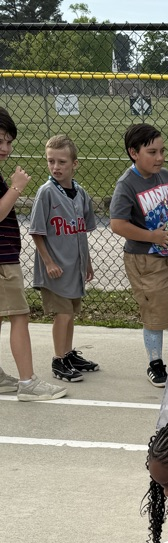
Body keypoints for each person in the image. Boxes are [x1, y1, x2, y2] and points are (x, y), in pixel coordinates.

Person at [110, 122, 168, 388]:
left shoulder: (165, 176)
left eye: (162, 151)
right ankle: (155, 363)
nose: (160, 158)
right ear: (134, 153)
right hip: (144, 259)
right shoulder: (127, 184)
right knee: (155, 314)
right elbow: (117, 224)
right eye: (152, 152)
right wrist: (153, 236)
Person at [0, 107, 66, 401]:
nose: (5, 148)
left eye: (9, 142)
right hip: (2, 260)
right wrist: (16, 188)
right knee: (19, 316)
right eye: (0, 141)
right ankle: (28, 383)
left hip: (5, 257)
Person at [29, 134, 99, 384]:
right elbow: (37, 232)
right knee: (63, 314)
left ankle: (68, 354)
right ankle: (58, 360)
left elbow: (82, 231)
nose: (56, 167)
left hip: (74, 267)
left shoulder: (80, 193)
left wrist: (87, 262)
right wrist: (48, 262)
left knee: (70, 314)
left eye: (62, 162)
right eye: (51, 161)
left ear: (74, 164)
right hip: (55, 268)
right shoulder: (46, 192)